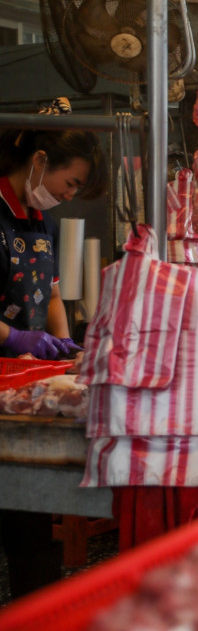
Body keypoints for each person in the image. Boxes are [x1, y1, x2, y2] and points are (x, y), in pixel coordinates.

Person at [0, 124, 106, 597]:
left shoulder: (35, 215)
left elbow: (55, 293)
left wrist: (64, 348)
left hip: (23, 379)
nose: (68, 195)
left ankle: (35, 609)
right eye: (72, 183)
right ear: (41, 160)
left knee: (29, 517)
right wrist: (19, 335)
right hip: (6, 367)